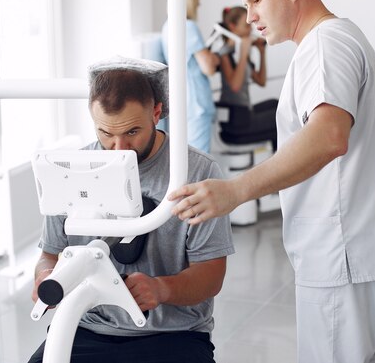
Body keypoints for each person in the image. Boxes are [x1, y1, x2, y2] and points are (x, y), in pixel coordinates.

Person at [169, 0, 375, 362]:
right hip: (356, 252)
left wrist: (235, 190)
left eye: (256, 0)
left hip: (340, 255)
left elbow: (329, 136)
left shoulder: (325, 44)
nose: (250, 17)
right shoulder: (336, 38)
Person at [28, 56, 235, 363]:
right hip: (86, 328)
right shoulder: (72, 170)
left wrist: (163, 289)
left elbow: (211, 276)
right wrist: (47, 277)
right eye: (106, 134)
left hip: (173, 335)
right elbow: (49, 255)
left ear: (157, 112)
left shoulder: (197, 173)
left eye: (132, 132)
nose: (119, 148)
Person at [161, 0, 220, 153]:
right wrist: (215, 58)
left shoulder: (167, 27)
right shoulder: (188, 27)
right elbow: (208, 67)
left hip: (183, 102)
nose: (199, 4)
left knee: (187, 158)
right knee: (199, 160)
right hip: (197, 104)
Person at [216, 5, 278, 151]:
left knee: (276, 104)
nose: (250, 30)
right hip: (235, 122)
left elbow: (261, 81)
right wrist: (244, 52)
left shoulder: (242, 52)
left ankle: (279, 160)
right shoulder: (224, 54)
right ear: (232, 26)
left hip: (245, 114)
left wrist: (261, 53)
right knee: (280, 116)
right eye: (246, 26)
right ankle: (281, 165)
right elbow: (235, 87)